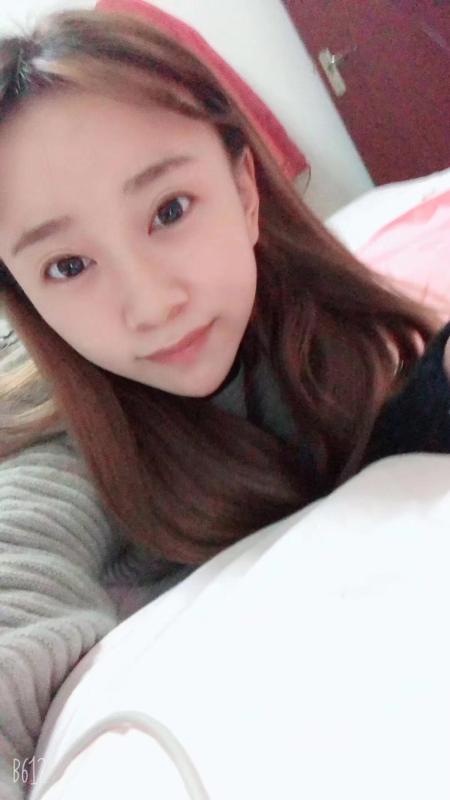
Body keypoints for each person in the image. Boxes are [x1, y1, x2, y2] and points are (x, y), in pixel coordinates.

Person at [0, 5, 449, 798]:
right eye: (68, 266)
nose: (150, 305)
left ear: (244, 189)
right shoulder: (61, 458)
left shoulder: (330, 320)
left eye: (169, 211)